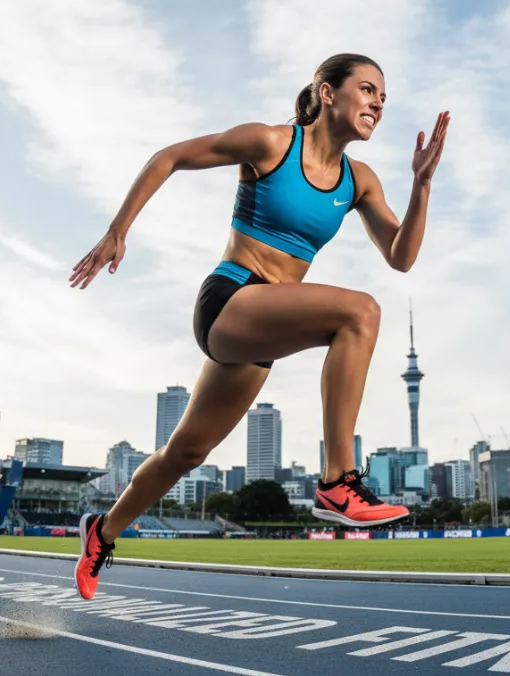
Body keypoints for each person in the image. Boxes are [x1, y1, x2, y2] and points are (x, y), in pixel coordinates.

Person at [69, 53, 450, 599]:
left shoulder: (358, 180)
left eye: (383, 99)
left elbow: (401, 255)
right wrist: (117, 230)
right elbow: (171, 157)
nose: (377, 105)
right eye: (367, 90)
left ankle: (101, 532)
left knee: (185, 454)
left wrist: (423, 186)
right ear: (326, 92)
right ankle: (338, 481)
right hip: (230, 299)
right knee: (360, 312)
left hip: (261, 332)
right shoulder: (273, 144)